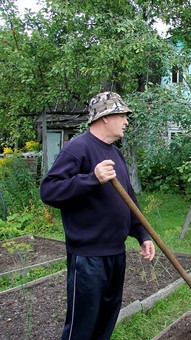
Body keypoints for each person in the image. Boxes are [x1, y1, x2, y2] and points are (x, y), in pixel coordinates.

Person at [40, 91, 156, 340]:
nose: (126, 120)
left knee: (105, 322)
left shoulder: (115, 153)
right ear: (105, 117)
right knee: (82, 327)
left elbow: (128, 201)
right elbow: (49, 190)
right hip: (89, 257)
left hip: (115, 253)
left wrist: (142, 234)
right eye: (122, 115)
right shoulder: (78, 148)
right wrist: (91, 178)